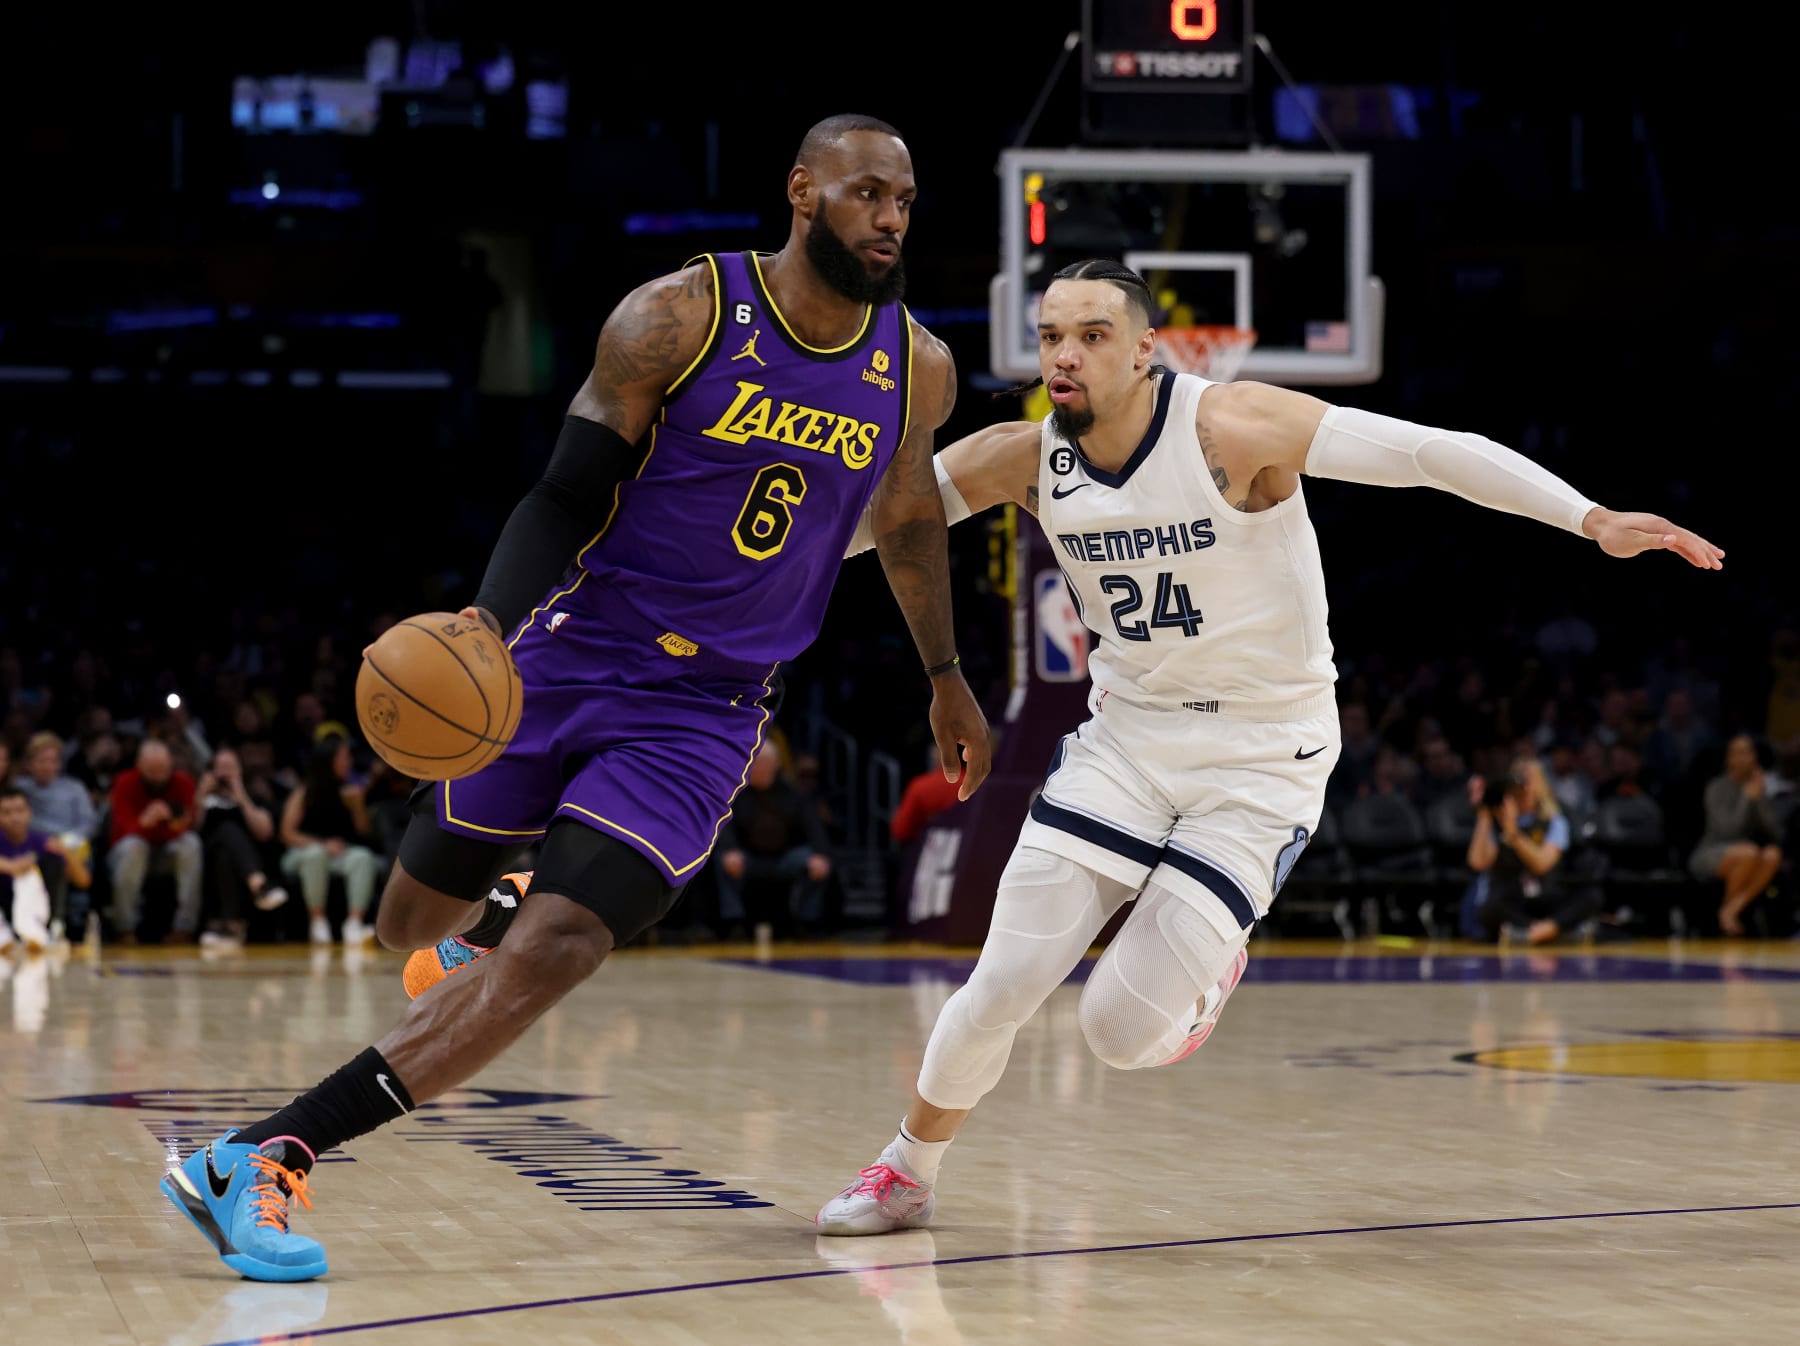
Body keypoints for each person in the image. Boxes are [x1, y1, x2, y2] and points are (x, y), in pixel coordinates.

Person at [159, 113, 992, 1282]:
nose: (892, 218)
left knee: (560, 945)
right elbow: (563, 494)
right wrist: (487, 627)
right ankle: (492, 905)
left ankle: (263, 1153)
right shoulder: (680, 316)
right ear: (801, 191)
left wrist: (947, 675)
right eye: (866, 193)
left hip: (704, 712)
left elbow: (906, 522)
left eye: (905, 199)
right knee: (411, 927)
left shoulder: (917, 365)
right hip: (573, 649)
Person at [817, 257, 1723, 1235]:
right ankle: (906, 1169)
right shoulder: (1024, 455)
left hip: (1261, 757)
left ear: (1146, 347)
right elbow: (871, 524)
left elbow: (1428, 451)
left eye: (1092, 335)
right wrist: (692, 559)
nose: (1066, 356)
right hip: (1125, 745)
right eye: (1050, 337)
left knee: (1116, 1031)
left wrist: (1590, 519)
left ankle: (1208, 969)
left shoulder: (1231, 426)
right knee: (1001, 981)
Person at [714, 741, 833, 938]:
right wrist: (730, 850)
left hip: (785, 857)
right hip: (748, 857)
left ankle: (808, 922)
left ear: (775, 765)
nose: (757, 768)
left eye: (763, 763)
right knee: (723, 860)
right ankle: (731, 921)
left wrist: (821, 855)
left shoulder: (794, 793)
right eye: (755, 763)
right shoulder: (735, 794)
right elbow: (724, 826)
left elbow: (815, 829)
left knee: (816, 861)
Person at [1463, 759, 1587, 944]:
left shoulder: (1554, 821)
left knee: (1589, 896)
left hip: (1544, 896)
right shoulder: (1496, 819)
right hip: (1512, 899)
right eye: (1519, 781)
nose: (1524, 787)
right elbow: (1478, 863)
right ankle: (1557, 931)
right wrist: (1484, 813)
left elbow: (1541, 866)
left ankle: (1536, 932)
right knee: (1489, 908)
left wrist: (1513, 834)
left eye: (1530, 780)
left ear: (1541, 784)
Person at [279, 735, 380, 947]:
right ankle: (318, 921)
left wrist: (357, 806)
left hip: (340, 854)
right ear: (329, 760)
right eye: (343, 757)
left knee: (362, 857)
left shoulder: (350, 791)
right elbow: (287, 833)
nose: (348, 762)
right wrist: (322, 845)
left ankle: (354, 923)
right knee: (316, 855)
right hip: (304, 853)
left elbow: (365, 831)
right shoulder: (305, 792)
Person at [107, 739, 203, 946]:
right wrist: (147, 821)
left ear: (171, 764)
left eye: (163, 769)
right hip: (129, 854)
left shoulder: (183, 782)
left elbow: (188, 824)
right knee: (134, 847)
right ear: (139, 766)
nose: (159, 775)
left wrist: (171, 822)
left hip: (165, 853)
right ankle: (125, 928)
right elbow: (123, 830)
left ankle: (184, 927)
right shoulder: (125, 782)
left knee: (191, 844)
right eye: (152, 770)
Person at [1690, 733, 1785, 935]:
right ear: (1728, 758)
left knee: (1772, 855)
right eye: (1736, 753)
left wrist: (1759, 798)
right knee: (1749, 852)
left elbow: (1775, 830)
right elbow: (1727, 831)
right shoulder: (1715, 788)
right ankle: (1728, 917)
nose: (1742, 757)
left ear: (1754, 757)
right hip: (1711, 852)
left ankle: (1730, 910)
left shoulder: (1757, 788)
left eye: (1747, 752)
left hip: (1747, 852)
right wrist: (1746, 798)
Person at [196, 745, 287, 950]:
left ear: (240, 771)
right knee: (227, 830)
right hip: (206, 863)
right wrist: (201, 794)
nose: (225, 773)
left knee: (227, 853)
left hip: (238, 865)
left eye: (231, 767)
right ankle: (259, 884)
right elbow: (191, 828)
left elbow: (265, 832)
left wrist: (242, 798)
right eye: (221, 767)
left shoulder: (250, 796)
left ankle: (231, 926)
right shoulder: (204, 799)